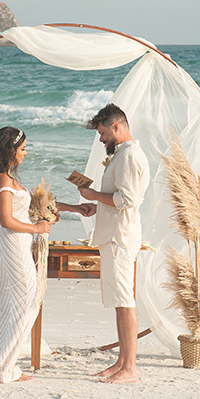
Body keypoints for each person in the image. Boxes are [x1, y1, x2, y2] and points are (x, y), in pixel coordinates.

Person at [0, 126, 89, 383]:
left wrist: (75, 209)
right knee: (21, 305)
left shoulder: (9, 179)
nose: (26, 153)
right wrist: (37, 228)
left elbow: (34, 207)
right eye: (22, 148)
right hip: (11, 245)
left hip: (20, 244)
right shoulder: (1, 180)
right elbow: (6, 220)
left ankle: (4, 365)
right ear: (10, 150)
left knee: (23, 305)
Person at [77, 103, 149, 384]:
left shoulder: (130, 156)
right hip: (114, 234)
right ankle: (122, 362)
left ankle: (130, 368)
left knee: (125, 301)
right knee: (121, 302)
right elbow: (117, 199)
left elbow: (129, 200)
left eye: (103, 132)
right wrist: (97, 205)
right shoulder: (122, 155)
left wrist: (95, 195)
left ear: (116, 126)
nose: (101, 138)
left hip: (120, 237)